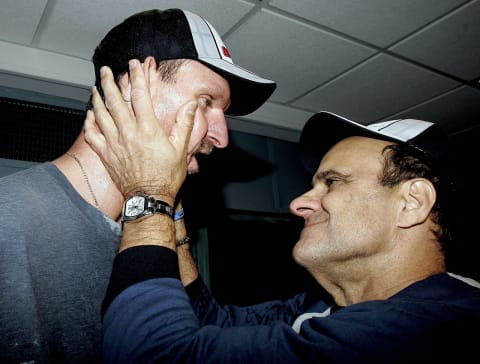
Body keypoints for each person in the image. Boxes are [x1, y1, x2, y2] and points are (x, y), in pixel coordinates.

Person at [85, 65, 480, 363]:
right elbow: (210, 323)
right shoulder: (320, 307)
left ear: (412, 203)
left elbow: (153, 356)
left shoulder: (434, 328)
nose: (298, 203)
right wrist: (170, 205)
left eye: (333, 182)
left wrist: (149, 194)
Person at [0, 8, 275, 363]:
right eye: (206, 102)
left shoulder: (156, 238)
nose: (221, 138)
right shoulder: (8, 221)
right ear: (134, 86)